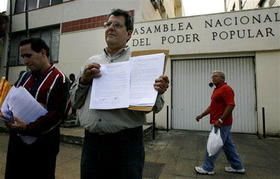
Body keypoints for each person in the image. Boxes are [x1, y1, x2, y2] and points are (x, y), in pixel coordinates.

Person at [73, 9, 169, 179]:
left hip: (126, 145)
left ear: (129, 33)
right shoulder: (90, 62)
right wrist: (83, 81)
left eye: (117, 25)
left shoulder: (140, 62)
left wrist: (157, 92)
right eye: (108, 24)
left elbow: (155, 107)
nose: (111, 28)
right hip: (92, 144)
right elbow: (74, 101)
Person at [4, 38, 70, 179]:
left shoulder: (59, 79)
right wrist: (6, 117)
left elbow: (58, 115)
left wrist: (28, 127)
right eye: (23, 57)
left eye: (29, 55)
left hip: (42, 148)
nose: (25, 61)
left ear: (43, 52)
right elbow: (9, 101)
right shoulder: (24, 77)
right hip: (17, 144)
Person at [194, 71, 245, 175]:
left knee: (213, 145)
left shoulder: (226, 89)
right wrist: (202, 115)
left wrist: (221, 120)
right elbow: (212, 106)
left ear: (222, 78)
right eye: (212, 76)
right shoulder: (217, 90)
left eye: (215, 76)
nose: (213, 78)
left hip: (221, 124)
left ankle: (207, 168)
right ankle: (237, 166)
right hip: (219, 122)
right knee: (228, 146)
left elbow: (231, 105)